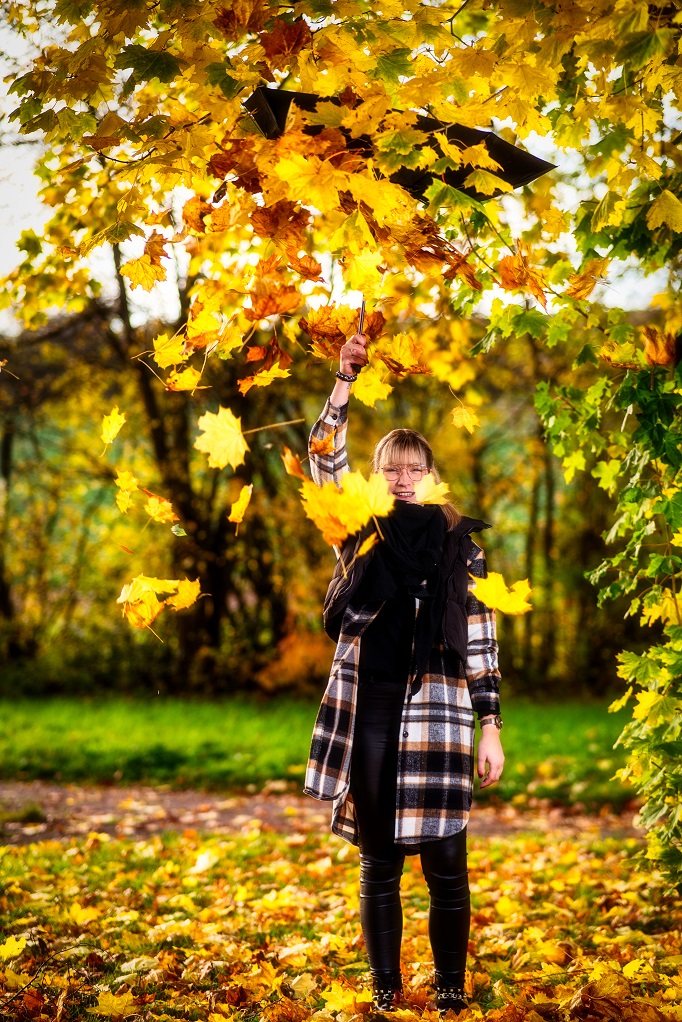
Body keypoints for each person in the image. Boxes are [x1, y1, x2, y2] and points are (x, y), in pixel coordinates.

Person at [304, 332, 505, 1016]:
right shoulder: (357, 529)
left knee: (448, 863)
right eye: (390, 467)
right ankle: (386, 994)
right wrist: (344, 381)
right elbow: (322, 459)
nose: (400, 478)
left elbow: (482, 641)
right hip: (372, 714)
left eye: (413, 467)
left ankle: (451, 992)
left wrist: (492, 727)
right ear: (377, 473)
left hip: (442, 714)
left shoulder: (462, 547)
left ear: (430, 473)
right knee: (380, 863)